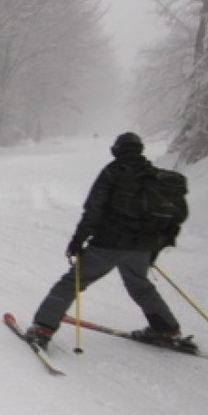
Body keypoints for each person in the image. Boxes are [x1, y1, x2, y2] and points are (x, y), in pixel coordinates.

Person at [23, 132, 186, 350]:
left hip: (110, 244)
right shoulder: (156, 177)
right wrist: (155, 247)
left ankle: (43, 328)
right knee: (140, 286)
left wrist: (77, 240)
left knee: (72, 282)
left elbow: (93, 210)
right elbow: (176, 217)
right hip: (143, 246)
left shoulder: (113, 173)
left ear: (116, 150)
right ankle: (166, 329)